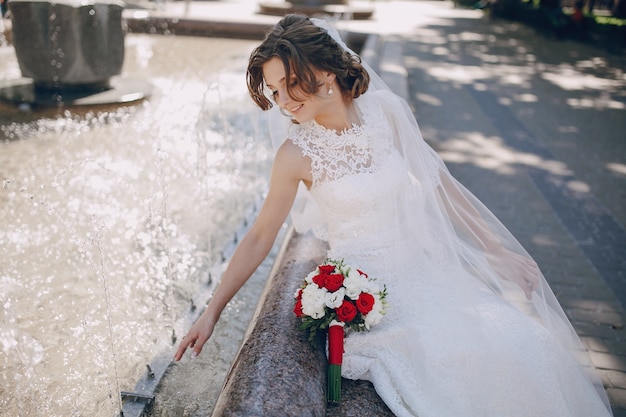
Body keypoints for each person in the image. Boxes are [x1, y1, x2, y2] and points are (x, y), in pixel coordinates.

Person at [174, 14, 613, 417]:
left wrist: (494, 249)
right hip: (374, 294)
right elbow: (260, 236)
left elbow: (440, 184)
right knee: (450, 359)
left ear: (325, 70)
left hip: (428, 269)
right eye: (274, 91)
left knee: (525, 342)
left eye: (291, 83)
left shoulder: (387, 113)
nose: (284, 101)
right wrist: (212, 312)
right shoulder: (295, 155)